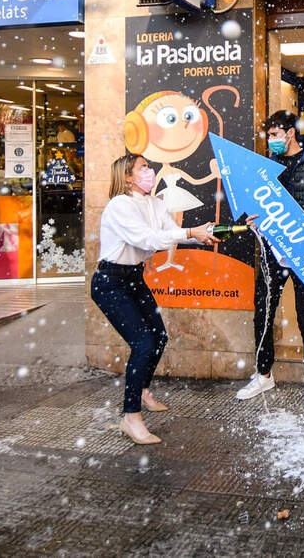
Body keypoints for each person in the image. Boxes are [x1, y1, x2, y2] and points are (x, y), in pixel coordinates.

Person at [91, 153, 217, 444]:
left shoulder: (155, 202)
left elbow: (169, 233)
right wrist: (189, 232)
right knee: (143, 342)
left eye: (149, 166)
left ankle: (143, 389)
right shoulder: (119, 206)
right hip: (110, 282)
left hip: (134, 278)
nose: (150, 171)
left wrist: (201, 233)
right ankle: (130, 416)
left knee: (159, 336)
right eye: (143, 168)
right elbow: (146, 239)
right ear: (127, 177)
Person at [235, 111, 304, 405]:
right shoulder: (265, 165)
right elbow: (251, 201)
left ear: (291, 133)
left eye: (276, 134)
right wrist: (248, 217)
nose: (272, 140)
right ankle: (263, 375)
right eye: (270, 135)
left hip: (302, 248)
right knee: (263, 311)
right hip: (270, 250)